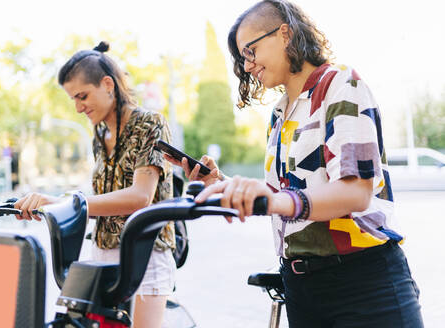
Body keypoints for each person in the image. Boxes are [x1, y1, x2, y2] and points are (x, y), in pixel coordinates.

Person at [168, 1, 424, 327]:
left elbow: (355, 192)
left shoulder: (341, 85)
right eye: (242, 58)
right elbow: (287, 195)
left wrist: (275, 198)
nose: (247, 66)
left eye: (251, 51)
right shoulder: (279, 114)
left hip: (363, 285)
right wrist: (220, 184)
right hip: (301, 289)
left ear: (285, 33)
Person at [14, 41, 176, 328]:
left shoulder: (151, 123)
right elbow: (105, 196)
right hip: (102, 253)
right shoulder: (99, 135)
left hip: (145, 252)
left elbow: (141, 196)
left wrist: (71, 205)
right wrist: (58, 205)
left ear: (107, 84)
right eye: (73, 99)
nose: (78, 108)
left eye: (82, 96)